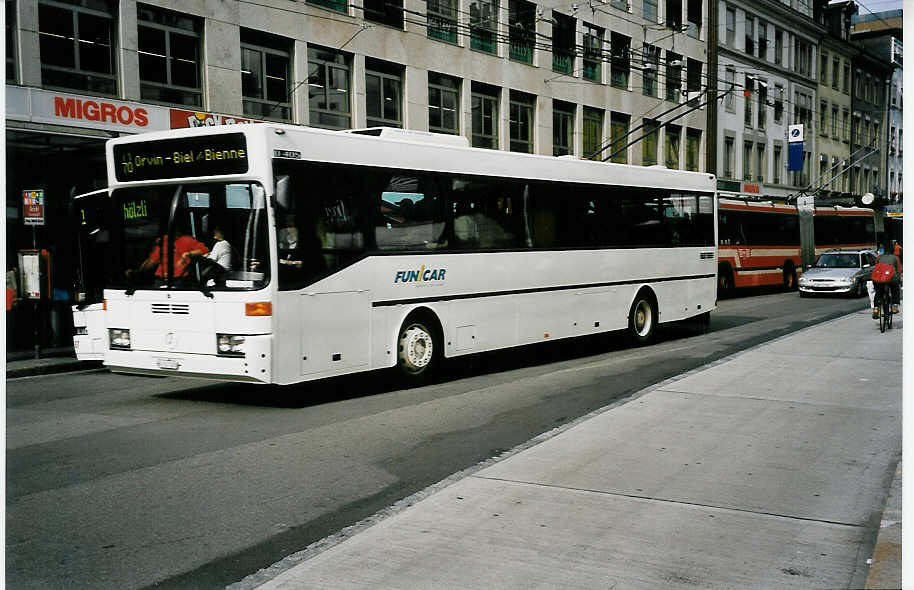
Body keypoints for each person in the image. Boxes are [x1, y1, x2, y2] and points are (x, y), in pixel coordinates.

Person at [137, 230, 209, 284]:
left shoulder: (187, 240)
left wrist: (188, 254)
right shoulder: (162, 242)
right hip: (160, 280)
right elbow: (152, 261)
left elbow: (204, 250)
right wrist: (138, 272)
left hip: (179, 280)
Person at [872, 244, 902, 317]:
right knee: (895, 290)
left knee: (878, 292)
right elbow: (899, 270)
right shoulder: (896, 258)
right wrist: (899, 279)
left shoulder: (879, 257)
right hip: (892, 278)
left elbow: (876, 267)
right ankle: (894, 306)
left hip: (880, 278)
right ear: (893, 251)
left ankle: (876, 308)